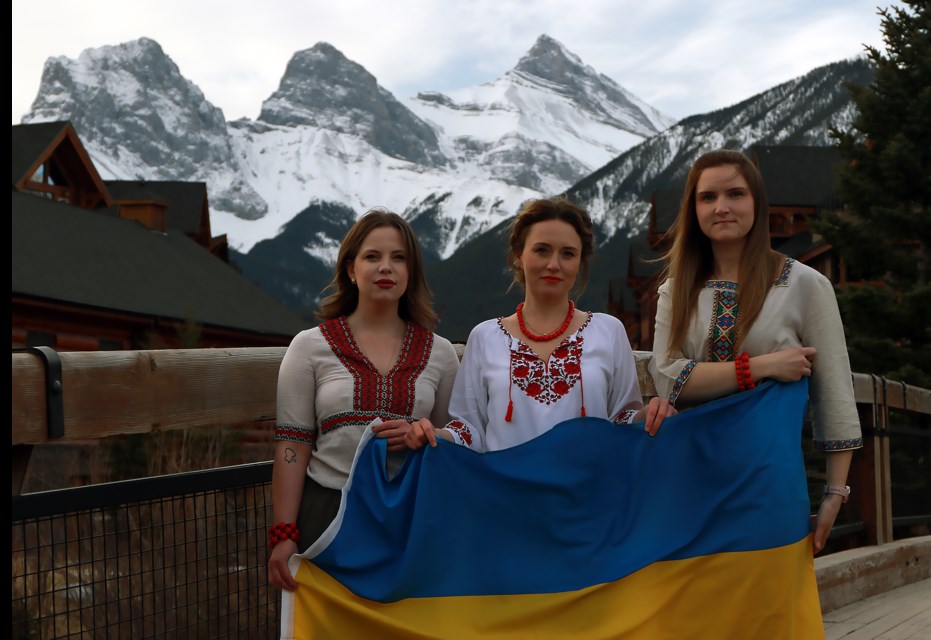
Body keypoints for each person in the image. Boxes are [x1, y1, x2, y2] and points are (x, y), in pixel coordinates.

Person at [647, 149, 863, 555]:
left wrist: (836, 491)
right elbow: (668, 378)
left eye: (735, 194)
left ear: (756, 203)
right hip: (689, 477)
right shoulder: (675, 292)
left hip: (770, 480)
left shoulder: (804, 286)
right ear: (693, 209)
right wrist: (761, 366)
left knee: (768, 606)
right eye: (707, 197)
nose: (722, 207)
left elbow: (834, 391)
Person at [267, 208, 461, 591]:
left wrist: (425, 432)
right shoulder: (309, 347)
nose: (385, 267)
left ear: (411, 273)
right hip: (328, 513)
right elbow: (293, 443)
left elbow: (457, 436)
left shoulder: (440, 353)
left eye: (398, 258)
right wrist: (284, 531)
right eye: (373, 256)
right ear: (351, 269)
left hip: (411, 516)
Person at [403, 196, 675, 453]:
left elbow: (622, 420)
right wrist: (434, 436)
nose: (554, 264)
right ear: (519, 255)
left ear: (580, 262)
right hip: (508, 494)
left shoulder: (608, 331)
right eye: (542, 250)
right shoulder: (485, 337)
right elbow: (469, 431)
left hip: (587, 495)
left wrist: (650, 415)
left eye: (568, 253)